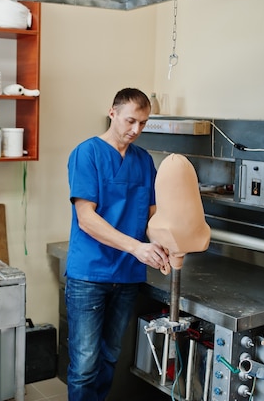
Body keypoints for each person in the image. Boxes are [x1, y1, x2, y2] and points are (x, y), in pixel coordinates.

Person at [65, 88, 170, 400]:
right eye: (130, 120)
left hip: (126, 276)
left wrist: (164, 245)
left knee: (109, 357)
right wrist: (137, 248)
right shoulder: (87, 154)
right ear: (112, 113)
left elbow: (152, 216)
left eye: (143, 123)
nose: (136, 130)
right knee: (85, 365)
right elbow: (86, 218)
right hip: (90, 274)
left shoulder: (144, 161)